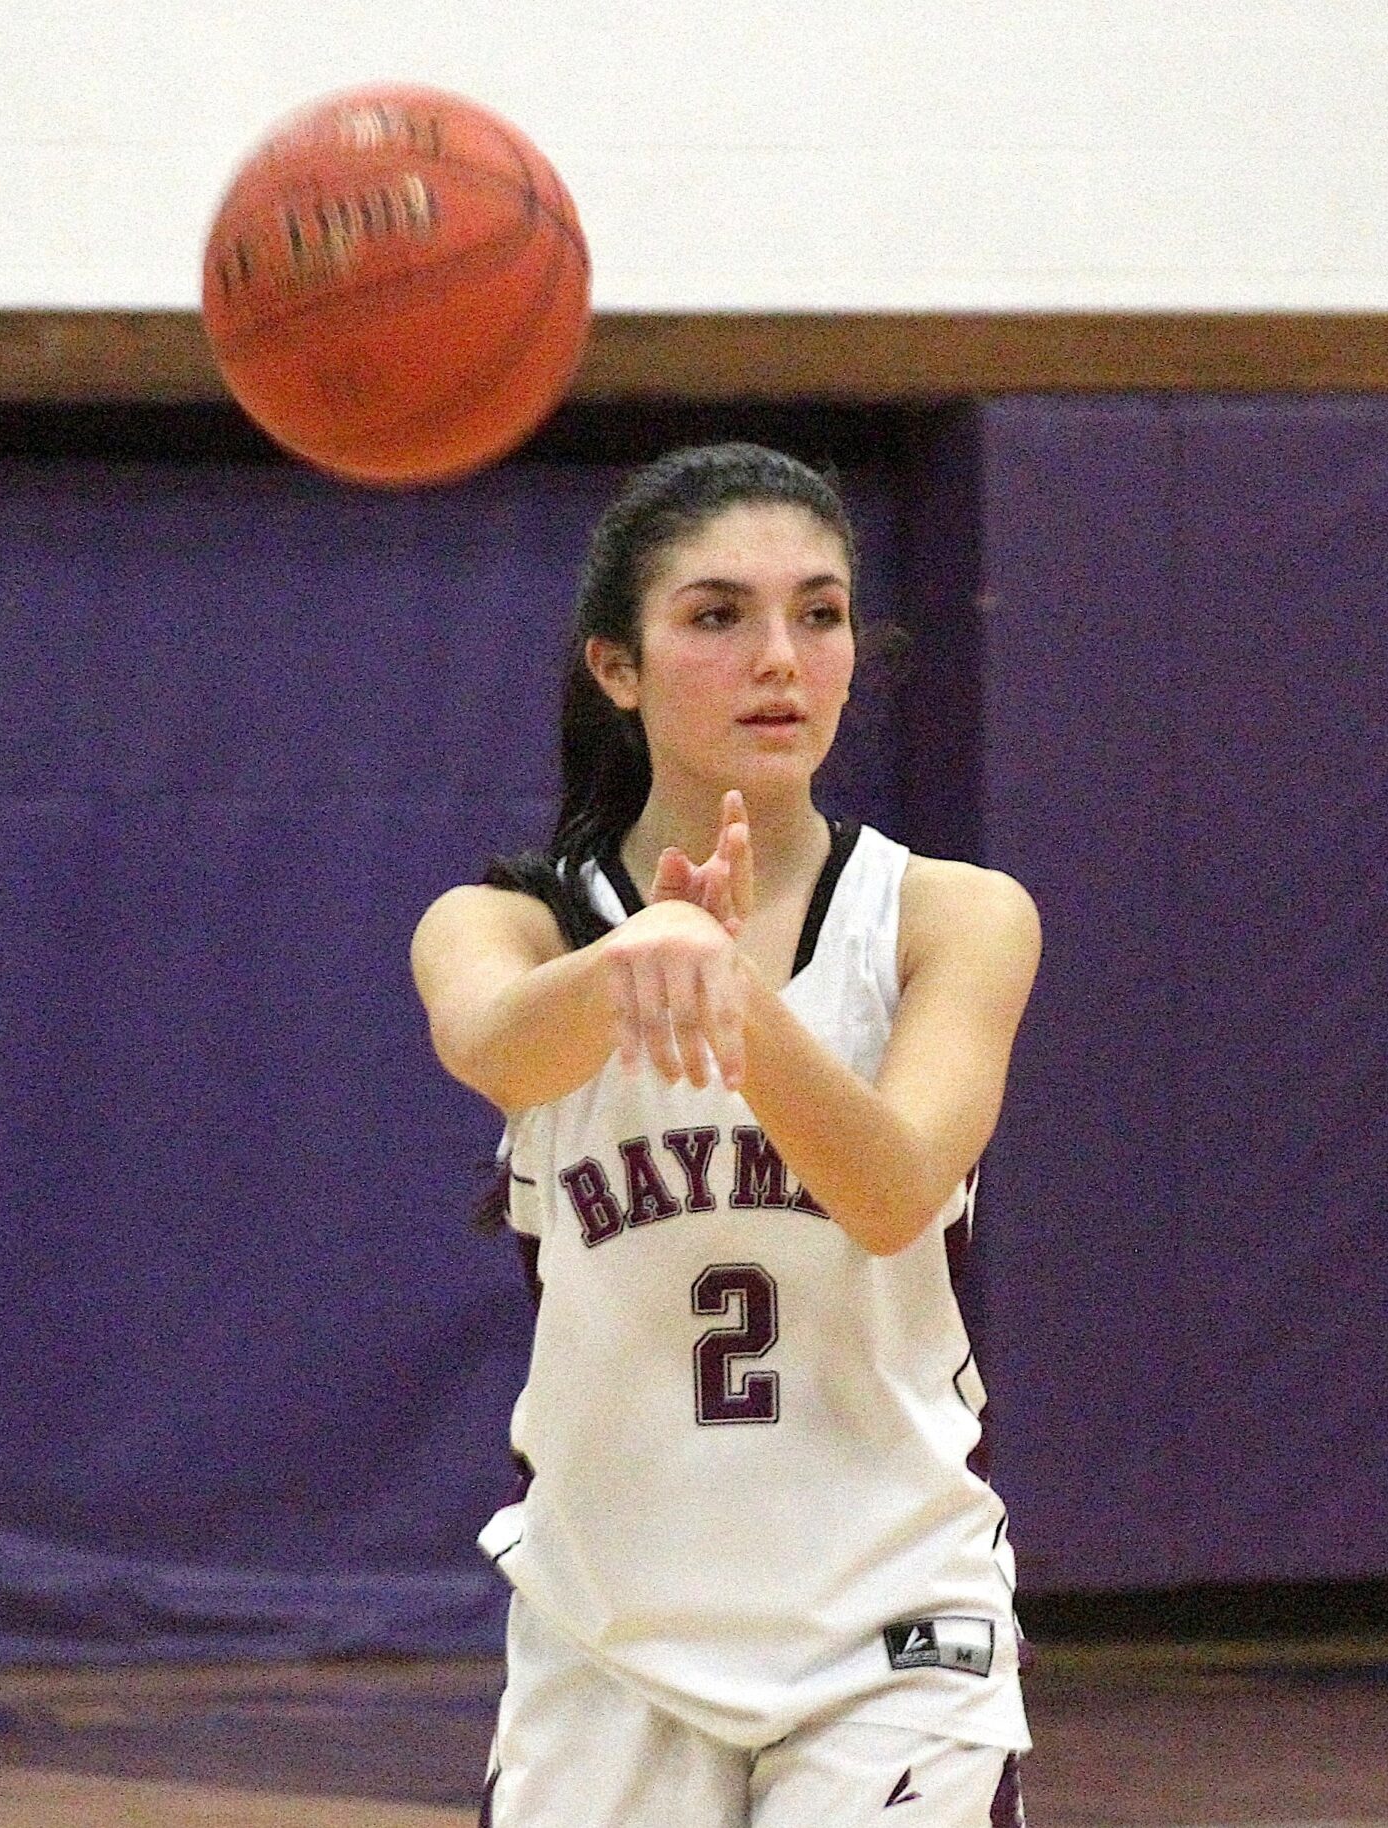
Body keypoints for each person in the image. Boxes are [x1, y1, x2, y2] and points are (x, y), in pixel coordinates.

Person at [410, 443, 1039, 1826]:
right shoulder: (505, 924)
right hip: (610, 1629)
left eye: (818, 614)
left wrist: (736, 999)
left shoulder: (953, 917)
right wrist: (644, 954)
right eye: (717, 616)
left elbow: (888, 1193)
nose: (780, 657)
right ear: (614, 668)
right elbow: (497, 1043)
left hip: (893, 1624)